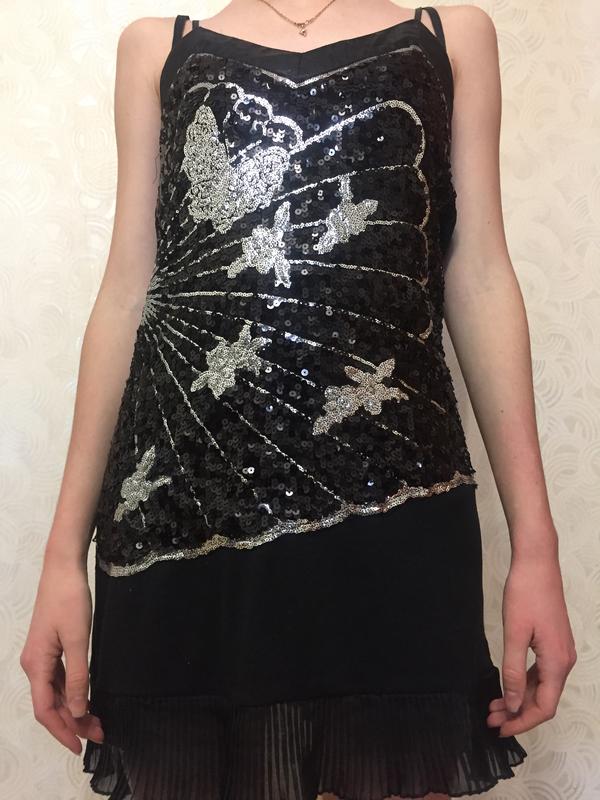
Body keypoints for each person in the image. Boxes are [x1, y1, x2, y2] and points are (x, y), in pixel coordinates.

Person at [20, 2, 577, 799]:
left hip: (394, 512)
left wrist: (536, 550)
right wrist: (60, 560)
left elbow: (479, 273)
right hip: (189, 521)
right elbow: (130, 294)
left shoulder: (450, 37)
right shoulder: (157, 50)